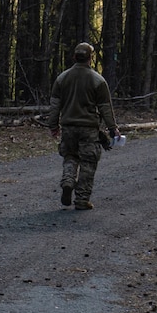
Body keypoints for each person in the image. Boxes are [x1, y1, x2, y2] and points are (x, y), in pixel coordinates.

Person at [45, 42, 122, 210]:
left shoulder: (62, 78)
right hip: (89, 129)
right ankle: (81, 200)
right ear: (90, 58)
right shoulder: (98, 80)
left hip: (68, 127)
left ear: (74, 57)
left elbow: (55, 105)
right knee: (88, 162)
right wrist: (112, 128)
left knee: (70, 156)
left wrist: (53, 125)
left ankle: (68, 180)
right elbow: (105, 107)